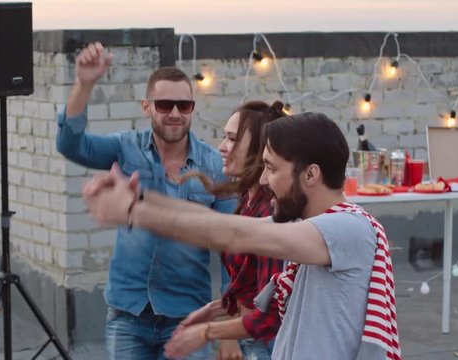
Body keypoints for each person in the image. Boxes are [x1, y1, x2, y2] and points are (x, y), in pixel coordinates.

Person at [83, 112, 401, 360]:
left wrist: (132, 212)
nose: (263, 179)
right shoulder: (316, 226)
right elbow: (212, 221)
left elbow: (233, 234)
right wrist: (140, 199)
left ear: (310, 174)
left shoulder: (348, 228)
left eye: (272, 169)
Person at [55, 42, 237, 359]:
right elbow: (71, 144)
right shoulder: (127, 147)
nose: (176, 114)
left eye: (185, 105)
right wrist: (84, 84)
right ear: (146, 106)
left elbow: (233, 251)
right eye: (165, 105)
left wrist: (230, 327)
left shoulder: (213, 167)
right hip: (129, 313)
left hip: (188, 315)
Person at [177, 100, 285, 360]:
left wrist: (210, 332)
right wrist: (217, 308)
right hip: (254, 341)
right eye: (224, 137)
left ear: (258, 148)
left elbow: (269, 313)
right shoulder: (248, 202)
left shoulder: (268, 211)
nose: (222, 147)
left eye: (232, 138)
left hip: (267, 346)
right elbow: (249, 289)